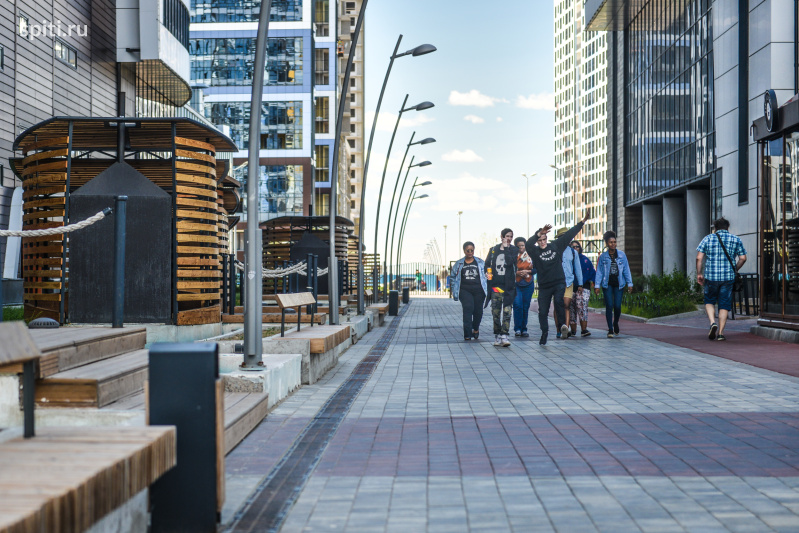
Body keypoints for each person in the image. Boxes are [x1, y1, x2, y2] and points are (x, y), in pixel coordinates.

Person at [526, 211, 590, 345]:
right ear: (537, 241)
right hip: (544, 286)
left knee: (560, 302)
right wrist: (538, 233)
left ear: (547, 239)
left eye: (544, 239)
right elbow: (528, 244)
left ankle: (562, 327)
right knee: (542, 311)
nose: (542, 242)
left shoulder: (555, 246)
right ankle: (544, 332)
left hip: (559, 282)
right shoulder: (535, 251)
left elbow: (569, 234)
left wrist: (582, 222)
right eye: (540, 240)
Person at [696, 217, 747, 341]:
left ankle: (712, 322)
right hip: (728, 277)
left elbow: (699, 258)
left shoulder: (707, 238)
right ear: (727, 227)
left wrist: (699, 273)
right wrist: (735, 269)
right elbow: (743, 258)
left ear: (715, 228)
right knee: (724, 304)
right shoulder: (736, 239)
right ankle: (720, 333)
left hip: (711, 276)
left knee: (709, 301)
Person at [594, 231, 633, 337]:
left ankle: (615, 323)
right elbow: (599, 272)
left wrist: (630, 283)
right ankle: (610, 329)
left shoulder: (622, 255)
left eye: (614, 242)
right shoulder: (603, 257)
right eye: (611, 242)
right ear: (607, 243)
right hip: (607, 284)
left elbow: (626, 269)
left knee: (617, 306)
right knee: (609, 305)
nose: (613, 244)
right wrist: (597, 286)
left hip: (619, 283)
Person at [485, 228, 519, 347]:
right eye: (507, 236)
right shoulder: (493, 250)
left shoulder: (513, 250)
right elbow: (487, 264)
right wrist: (487, 272)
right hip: (496, 286)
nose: (509, 238)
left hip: (508, 287)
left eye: (511, 236)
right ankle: (497, 335)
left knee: (507, 312)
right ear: (502, 236)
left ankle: (505, 335)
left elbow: (509, 262)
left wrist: (506, 248)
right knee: (495, 312)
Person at [451, 242, 488, 341]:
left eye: (472, 250)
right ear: (464, 251)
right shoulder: (459, 264)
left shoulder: (480, 262)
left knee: (478, 311)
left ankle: (475, 328)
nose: (470, 252)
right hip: (464, 290)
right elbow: (453, 277)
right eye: (468, 250)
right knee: (468, 308)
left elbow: (486, 275)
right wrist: (454, 289)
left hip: (479, 290)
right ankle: (467, 334)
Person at [553, 229, 583, 339]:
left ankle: (565, 328)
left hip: (568, 282)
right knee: (557, 305)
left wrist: (580, 284)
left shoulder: (573, 252)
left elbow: (578, 268)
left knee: (566, 305)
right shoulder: (554, 250)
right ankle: (558, 329)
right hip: (556, 282)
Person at [569, 240, 596, 337]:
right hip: (570, 287)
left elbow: (592, 272)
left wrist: (595, 285)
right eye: (573, 247)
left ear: (580, 248)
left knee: (582, 307)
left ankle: (584, 330)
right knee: (571, 308)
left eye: (577, 246)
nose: (575, 248)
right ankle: (573, 331)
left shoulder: (585, 260)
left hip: (584, 287)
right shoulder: (568, 260)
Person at [513, 236, 535, 338]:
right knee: (518, 306)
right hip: (516, 284)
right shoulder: (513, 256)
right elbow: (508, 269)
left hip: (528, 284)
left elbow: (537, 269)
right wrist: (517, 272)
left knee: (525, 307)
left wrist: (528, 271)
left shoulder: (532, 255)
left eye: (523, 245)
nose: (521, 247)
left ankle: (524, 328)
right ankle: (517, 328)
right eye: (519, 246)